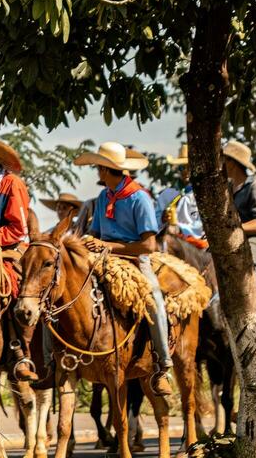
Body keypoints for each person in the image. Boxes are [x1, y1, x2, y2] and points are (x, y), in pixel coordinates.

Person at [74, 141, 173, 396]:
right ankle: (61, 359)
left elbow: (148, 245)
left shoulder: (139, 197)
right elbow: (94, 232)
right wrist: (87, 242)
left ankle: (163, 364)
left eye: (99, 168)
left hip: (133, 262)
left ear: (107, 170)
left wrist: (107, 245)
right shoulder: (103, 197)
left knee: (154, 300)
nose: (97, 172)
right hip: (100, 260)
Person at [223, 141, 256, 275]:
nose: (221, 164)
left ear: (232, 162)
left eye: (224, 159)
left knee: (253, 269)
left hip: (253, 239)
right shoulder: (228, 188)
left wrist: (234, 227)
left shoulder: (255, 187)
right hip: (231, 237)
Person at [156, 144, 204, 240]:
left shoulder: (203, 195)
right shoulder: (167, 194)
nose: (185, 171)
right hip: (170, 243)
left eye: (189, 167)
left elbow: (203, 225)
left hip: (196, 246)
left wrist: (180, 228)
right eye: (182, 167)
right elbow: (154, 220)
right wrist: (162, 218)